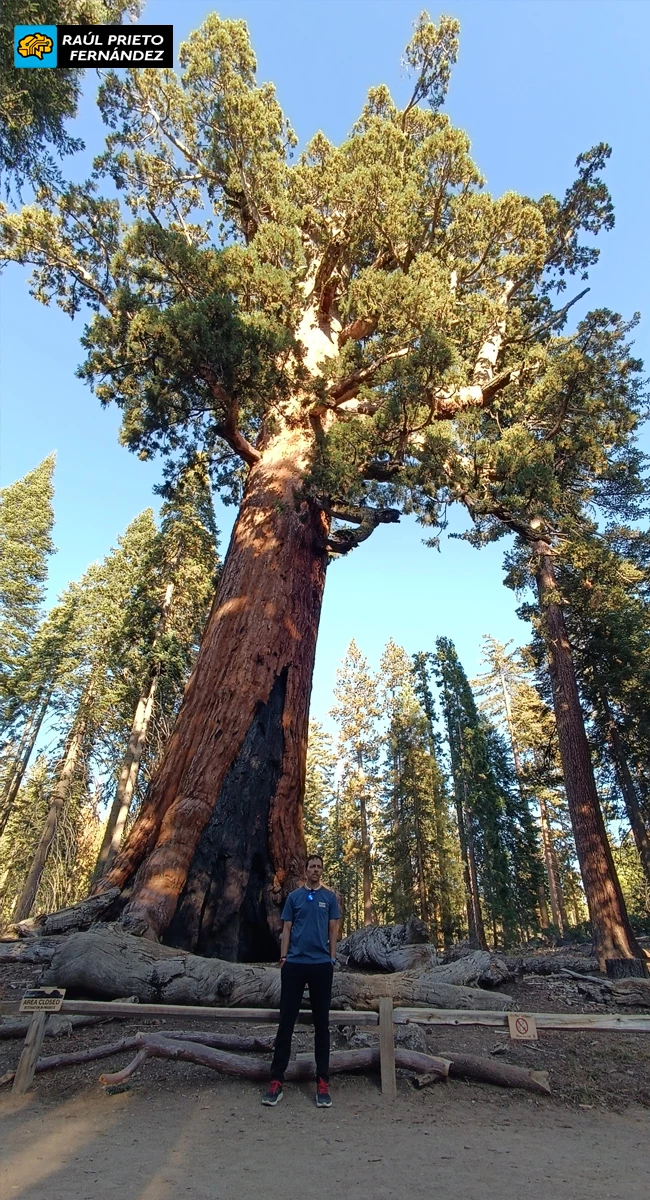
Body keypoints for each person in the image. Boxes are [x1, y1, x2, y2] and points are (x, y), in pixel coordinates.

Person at [262, 854, 340, 1108]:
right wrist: (284, 957)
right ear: (305, 871)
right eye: (312, 866)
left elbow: (333, 929)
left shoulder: (329, 898)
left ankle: (323, 1082)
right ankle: (276, 1081)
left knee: (322, 1025)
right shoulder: (294, 897)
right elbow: (286, 928)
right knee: (286, 1023)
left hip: (320, 966)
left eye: (319, 867)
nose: (315, 870)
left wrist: (331, 959)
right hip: (295, 965)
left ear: (322, 871)